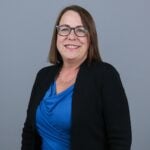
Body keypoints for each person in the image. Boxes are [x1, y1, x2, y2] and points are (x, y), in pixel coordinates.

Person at [21, 5, 132, 150]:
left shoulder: (106, 75)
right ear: (57, 35)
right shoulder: (43, 76)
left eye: (80, 30)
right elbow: (29, 131)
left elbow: (120, 141)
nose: (71, 36)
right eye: (65, 29)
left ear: (90, 37)